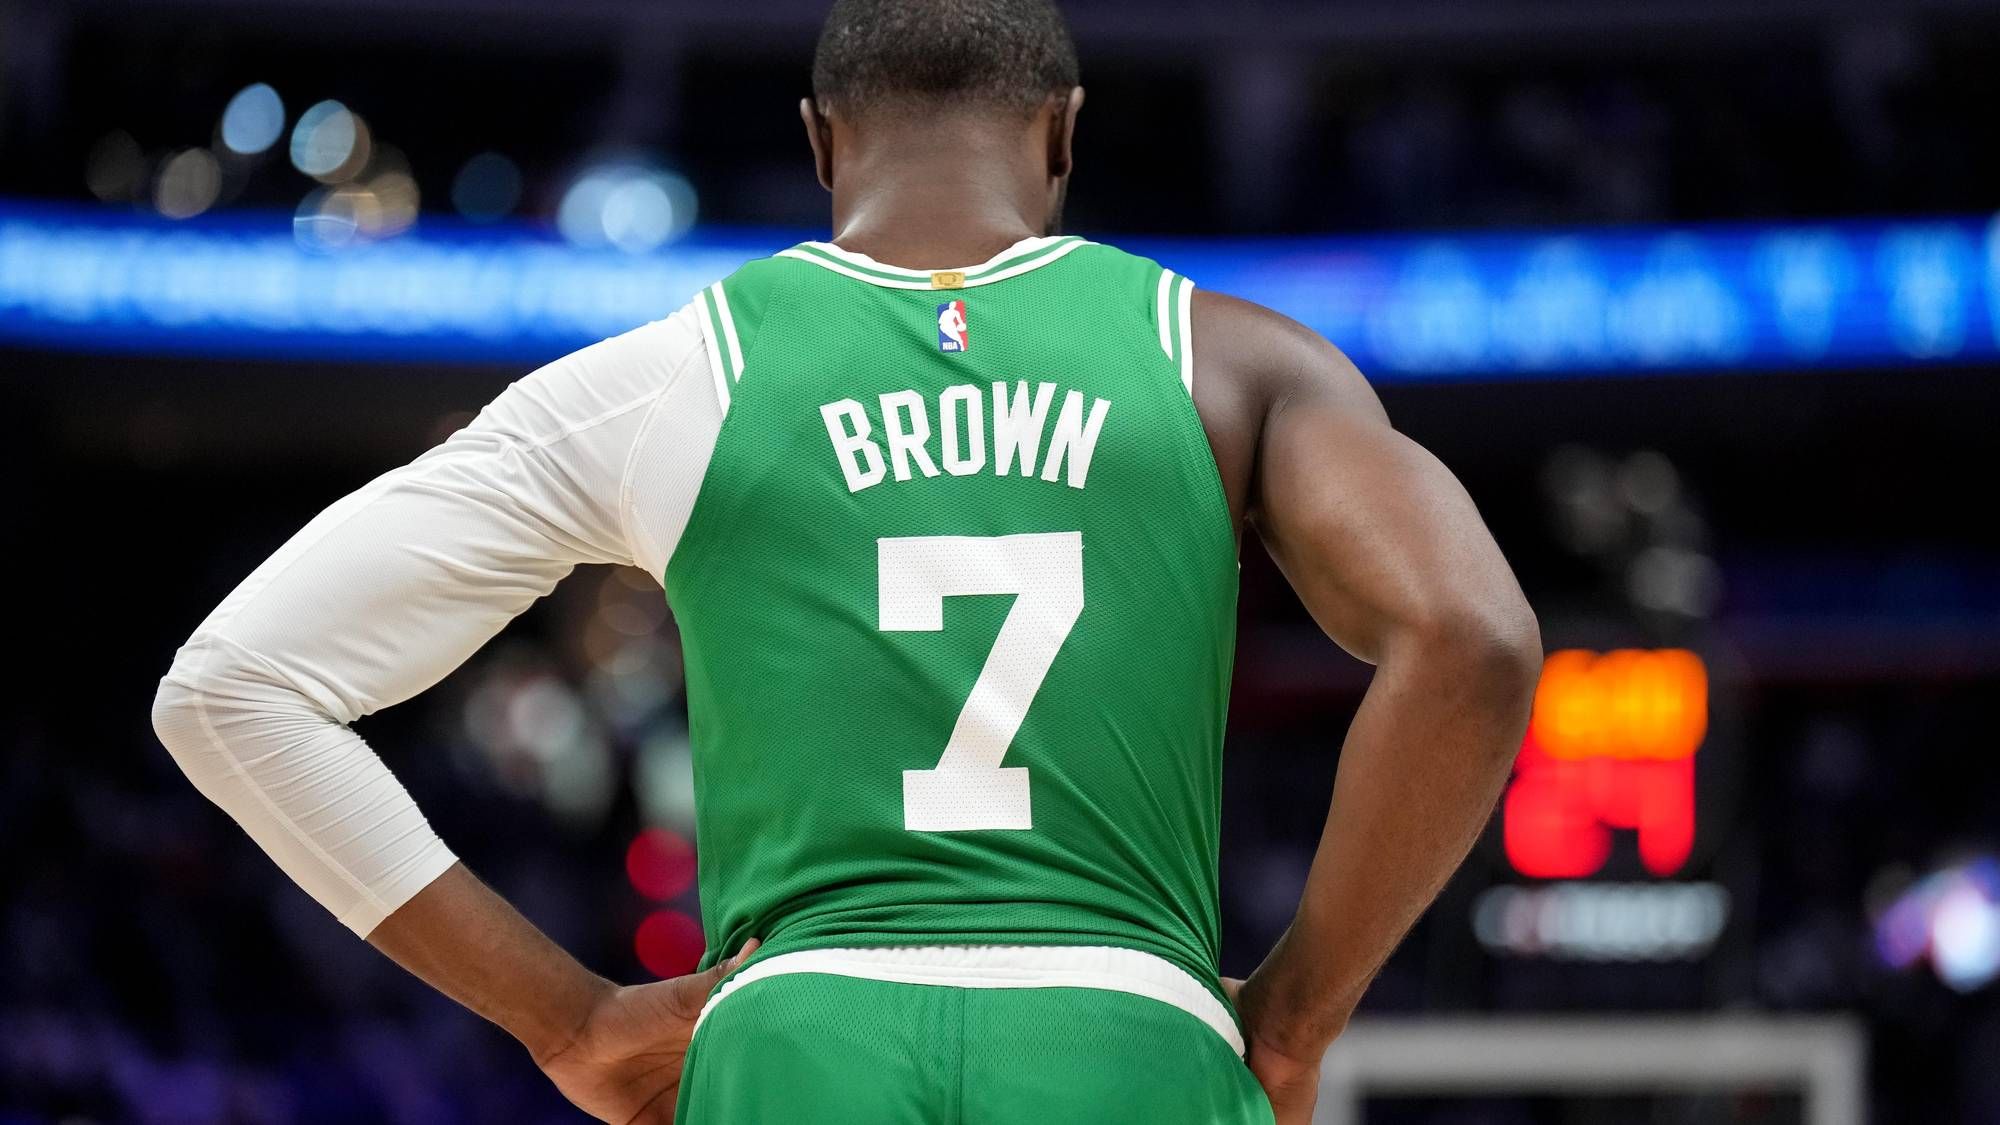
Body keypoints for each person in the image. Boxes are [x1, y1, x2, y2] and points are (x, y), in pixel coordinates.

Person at [151, 0, 1540, 1120]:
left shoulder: (674, 375)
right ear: (1064, 131)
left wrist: (564, 1017)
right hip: (1134, 1035)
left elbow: (229, 687)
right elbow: (1473, 641)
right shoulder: (1232, 363)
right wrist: (1292, 1018)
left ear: (820, 140)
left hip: (797, 1038)